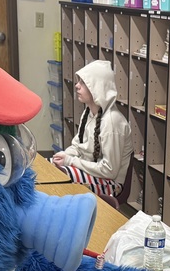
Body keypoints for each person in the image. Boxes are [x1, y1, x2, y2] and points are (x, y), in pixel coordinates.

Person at [52, 60, 133, 199]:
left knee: (61, 177)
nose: (77, 85)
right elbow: (77, 146)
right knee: (51, 166)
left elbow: (109, 171)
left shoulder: (112, 122)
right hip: (91, 172)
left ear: (97, 88)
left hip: (111, 184)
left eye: (83, 83)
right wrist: (64, 156)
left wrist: (70, 161)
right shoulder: (89, 112)